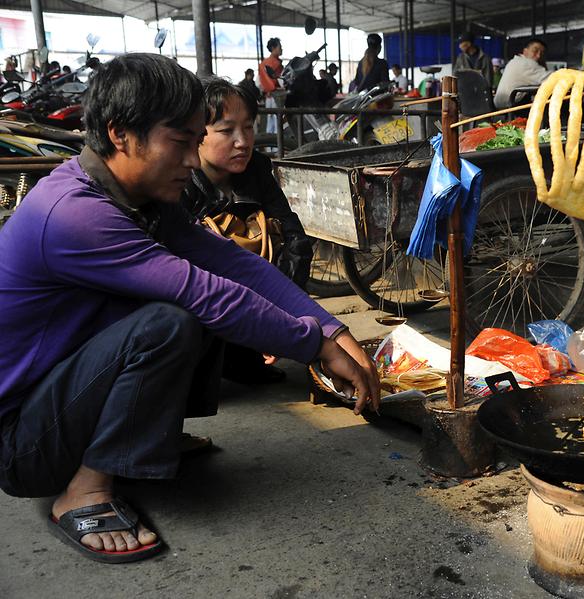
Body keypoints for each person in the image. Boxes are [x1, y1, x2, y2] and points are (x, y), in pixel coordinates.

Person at [0, 53, 379, 563]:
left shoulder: (137, 196)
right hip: (22, 442)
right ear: (120, 134)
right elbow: (209, 293)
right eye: (180, 143)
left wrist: (332, 330)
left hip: (62, 397)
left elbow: (232, 264)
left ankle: (139, 443)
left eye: (196, 141)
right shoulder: (75, 214)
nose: (190, 160)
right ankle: (85, 490)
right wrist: (311, 344)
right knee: (171, 319)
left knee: (191, 307)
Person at [181, 77, 316, 383]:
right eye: (227, 130)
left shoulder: (257, 170)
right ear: (196, 133)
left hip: (256, 300)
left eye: (249, 127)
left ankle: (249, 356)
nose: (242, 141)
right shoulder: (180, 180)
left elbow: (296, 241)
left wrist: (283, 319)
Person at [493, 38, 550, 109]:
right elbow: (551, 78)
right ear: (525, 51)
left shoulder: (515, 61)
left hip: (500, 106)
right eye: (535, 51)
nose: (538, 56)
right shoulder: (526, 64)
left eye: (542, 53)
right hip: (511, 109)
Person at [258, 37, 283, 135]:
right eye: (279, 47)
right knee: (278, 124)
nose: (281, 49)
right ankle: (278, 147)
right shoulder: (276, 63)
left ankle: (269, 148)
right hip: (277, 96)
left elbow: (260, 82)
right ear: (273, 48)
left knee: (270, 124)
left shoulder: (263, 63)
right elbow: (281, 80)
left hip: (268, 97)